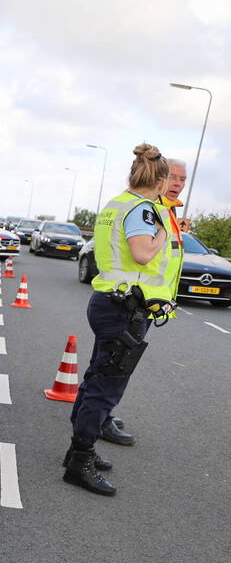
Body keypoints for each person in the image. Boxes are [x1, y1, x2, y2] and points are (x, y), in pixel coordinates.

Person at [64, 143, 184, 495]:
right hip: (125, 308)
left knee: (96, 376)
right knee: (106, 386)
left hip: (110, 301)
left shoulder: (117, 203)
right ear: (160, 181)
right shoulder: (144, 210)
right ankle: (79, 460)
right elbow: (143, 252)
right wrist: (164, 230)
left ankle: (80, 445)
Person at [103, 157, 188, 439]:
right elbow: (143, 253)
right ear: (159, 178)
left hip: (148, 301)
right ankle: (100, 421)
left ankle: (103, 415)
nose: (177, 184)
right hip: (133, 300)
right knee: (116, 367)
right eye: (174, 178)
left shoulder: (167, 211)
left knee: (115, 366)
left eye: (183, 180)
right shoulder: (150, 210)